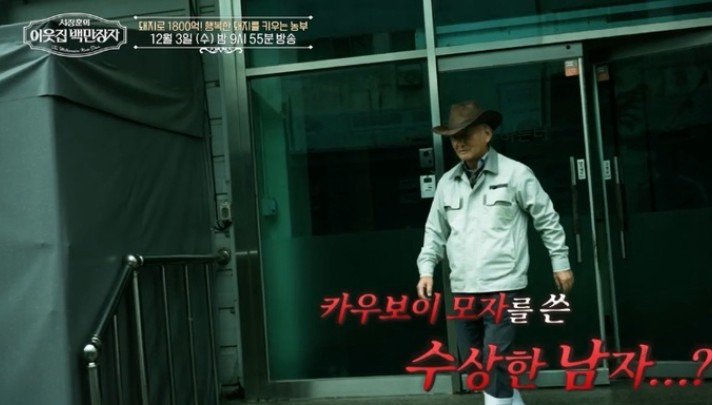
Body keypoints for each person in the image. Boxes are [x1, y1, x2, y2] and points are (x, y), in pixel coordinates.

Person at [416, 100, 574, 405]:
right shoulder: (448, 183)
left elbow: (547, 219)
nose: (459, 142)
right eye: (453, 137)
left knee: (495, 358)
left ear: (487, 133)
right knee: (475, 362)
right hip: (463, 286)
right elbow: (435, 230)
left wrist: (560, 262)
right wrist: (426, 269)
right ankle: (511, 399)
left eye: (466, 134)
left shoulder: (516, 174)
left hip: (504, 284)